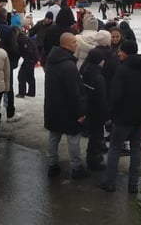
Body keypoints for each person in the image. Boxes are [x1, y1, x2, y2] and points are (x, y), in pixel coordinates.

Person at [99, 39, 141, 194]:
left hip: (123, 117)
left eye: (121, 51)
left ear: (126, 53)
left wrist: (112, 113)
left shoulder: (122, 70)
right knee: (136, 148)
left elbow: (115, 96)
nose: (118, 53)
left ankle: (110, 182)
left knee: (115, 148)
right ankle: (133, 184)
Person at [44, 32, 89, 179]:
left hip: (52, 106)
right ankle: (76, 167)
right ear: (67, 44)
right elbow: (73, 92)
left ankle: (52, 165)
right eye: (74, 42)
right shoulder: (68, 65)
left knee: (53, 136)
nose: (76, 45)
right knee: (73, 139)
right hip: (68, 109)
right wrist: (80, 112)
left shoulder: (51, 61)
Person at [80, 48, 109, 171]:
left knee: (93, 136)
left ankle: (91, 158)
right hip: (97, 113)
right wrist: (106, 115)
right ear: (99, 61)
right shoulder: (99, 78)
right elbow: (102, 99)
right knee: (96, 137)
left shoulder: (86, 72)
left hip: (88, 110)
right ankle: (94, 161)